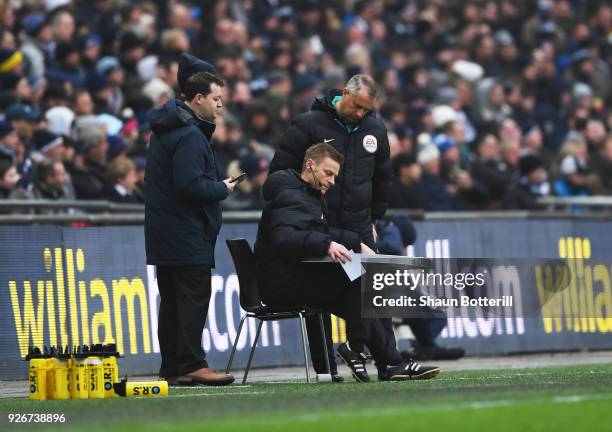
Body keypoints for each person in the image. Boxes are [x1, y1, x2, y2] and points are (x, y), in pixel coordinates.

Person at [255, 143, 440, 382]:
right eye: (328, 173)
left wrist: (355, 243)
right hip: (280, 283)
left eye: (334, 176)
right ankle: (364, 351)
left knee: (369, 289)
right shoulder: (290, 195)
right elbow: (284, 239)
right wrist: (326, 245)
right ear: (310, 165)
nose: (332, 181)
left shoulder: (306, 194)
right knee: (362, 281)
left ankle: (387, 363)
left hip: (296, 275)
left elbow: (318, 230)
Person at [269, 74, 394, 380]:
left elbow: (383, 178)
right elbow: (279, 173)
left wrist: (374, 218)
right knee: (321, 296)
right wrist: (304, 207)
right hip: (320, 223)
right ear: (344, 94)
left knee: (374, 291)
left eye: (367, 109)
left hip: (359, 225)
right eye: (357, 106)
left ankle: (389, 364)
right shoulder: (309, 124)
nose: (361, 114)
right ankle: (327, 369)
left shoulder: (375, 129)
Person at [145, 61, 237, 386]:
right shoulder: (189, 135)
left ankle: (172, 367)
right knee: (191, 300)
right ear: (198, 98)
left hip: (165, 232)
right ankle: (193, 364)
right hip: (186, 233)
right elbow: (189, 185)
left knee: (171, 303)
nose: (220, 105)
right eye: (215, 99)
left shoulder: (168, 129)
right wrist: (221, 188)